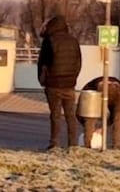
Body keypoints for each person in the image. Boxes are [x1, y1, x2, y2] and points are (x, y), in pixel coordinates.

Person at [37, 15, 82, 150]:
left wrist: (42, 80)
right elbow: (78, 63)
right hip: (69, 84)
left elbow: (43, 63)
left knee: (55, 115)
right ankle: (73, 144)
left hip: (53, 84)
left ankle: (55, 143)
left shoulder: (49, 41)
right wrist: (73, 78)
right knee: (70, 116)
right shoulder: (74, 41)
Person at [77, 76, 120, 149]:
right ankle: (117, 145)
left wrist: (92, 129)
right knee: (118, 116)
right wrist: (103, 127)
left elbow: (80, 113)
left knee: (90, 117)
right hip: (118, 87)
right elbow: (112, 115)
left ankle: (88, 145)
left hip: (100, 86)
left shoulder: (86, 90)